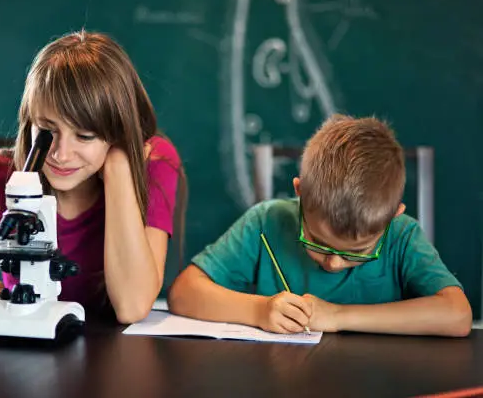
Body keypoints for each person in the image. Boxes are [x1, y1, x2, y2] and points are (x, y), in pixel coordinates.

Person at [0, 30, 185, 323]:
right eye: (47, 130)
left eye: (84, 136)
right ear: (29, 121)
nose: (61, 154)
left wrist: (117, 167)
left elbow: (132, 307)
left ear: (118, 133)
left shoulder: (153, 161)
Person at [169, 114, 472, 337]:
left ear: (393, 215)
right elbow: (184, 293)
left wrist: (338, 315)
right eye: (317, 242)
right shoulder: (266, 222)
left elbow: (457, 315)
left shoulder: (402, 236)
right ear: (299, 192)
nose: (333, 263)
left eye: (357, 252)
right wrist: (258, 311)